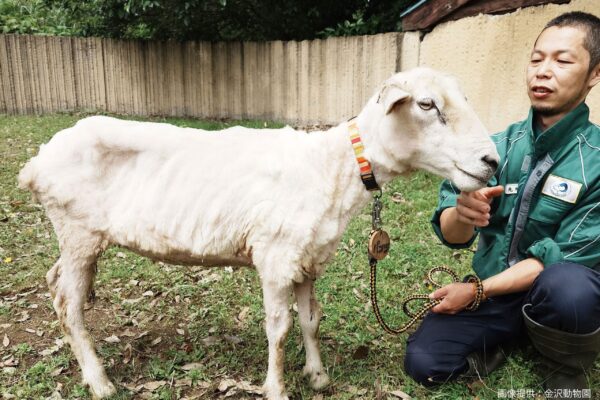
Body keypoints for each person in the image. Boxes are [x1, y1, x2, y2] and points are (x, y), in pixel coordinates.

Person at [403, 11, 600, 396]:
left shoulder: (596, 159)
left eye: (562, 60)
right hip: (495, 291)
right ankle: (511, 336)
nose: (542, 71)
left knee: (570, 288)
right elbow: (452, 234)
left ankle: (564, 365)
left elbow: (557, 260)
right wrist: (461, 213)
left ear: (594, 73)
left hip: (551, 290)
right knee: (424, 363)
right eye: (536, 58)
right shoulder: (493, 147)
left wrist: (475, 292)